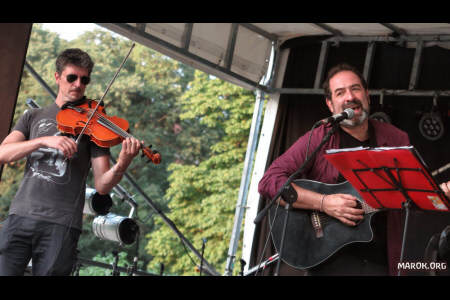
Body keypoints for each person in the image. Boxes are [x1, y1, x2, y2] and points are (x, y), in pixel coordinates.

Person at [258, 63, 411, 276]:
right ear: (330, 105)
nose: (350, 97)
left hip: (381, 262)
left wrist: (435, 193)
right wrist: (324, 203)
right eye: (340, 93)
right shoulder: (321, 137)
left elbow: (412, 193)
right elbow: (268, 182)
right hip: (328, 261)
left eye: (355, 89)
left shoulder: (396, 139)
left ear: (367, 95)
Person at [0, 48, 142, 276]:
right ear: (57, 77)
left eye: (84, 80)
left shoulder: (96, 127)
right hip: (20, 216)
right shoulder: (32, 117)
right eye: (72, 77)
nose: (78, 84)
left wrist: (123, 162)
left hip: (62, 225)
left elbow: (103, 185)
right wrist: (43, 141)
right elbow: (3, 153)